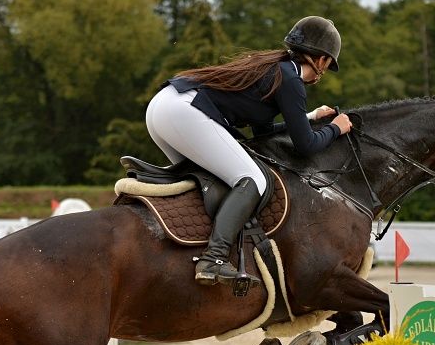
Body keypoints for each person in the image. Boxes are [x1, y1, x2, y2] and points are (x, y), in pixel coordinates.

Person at [146, 15, 352, 288]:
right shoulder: (290, 79)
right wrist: (337, 128)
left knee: (215, 182)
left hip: (163, 107)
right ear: (323, 60)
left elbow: (264, 135)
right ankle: (215, 258)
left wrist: (310, 117)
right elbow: (307, 146)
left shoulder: (277, 69)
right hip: (185, 112)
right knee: (254, 180)